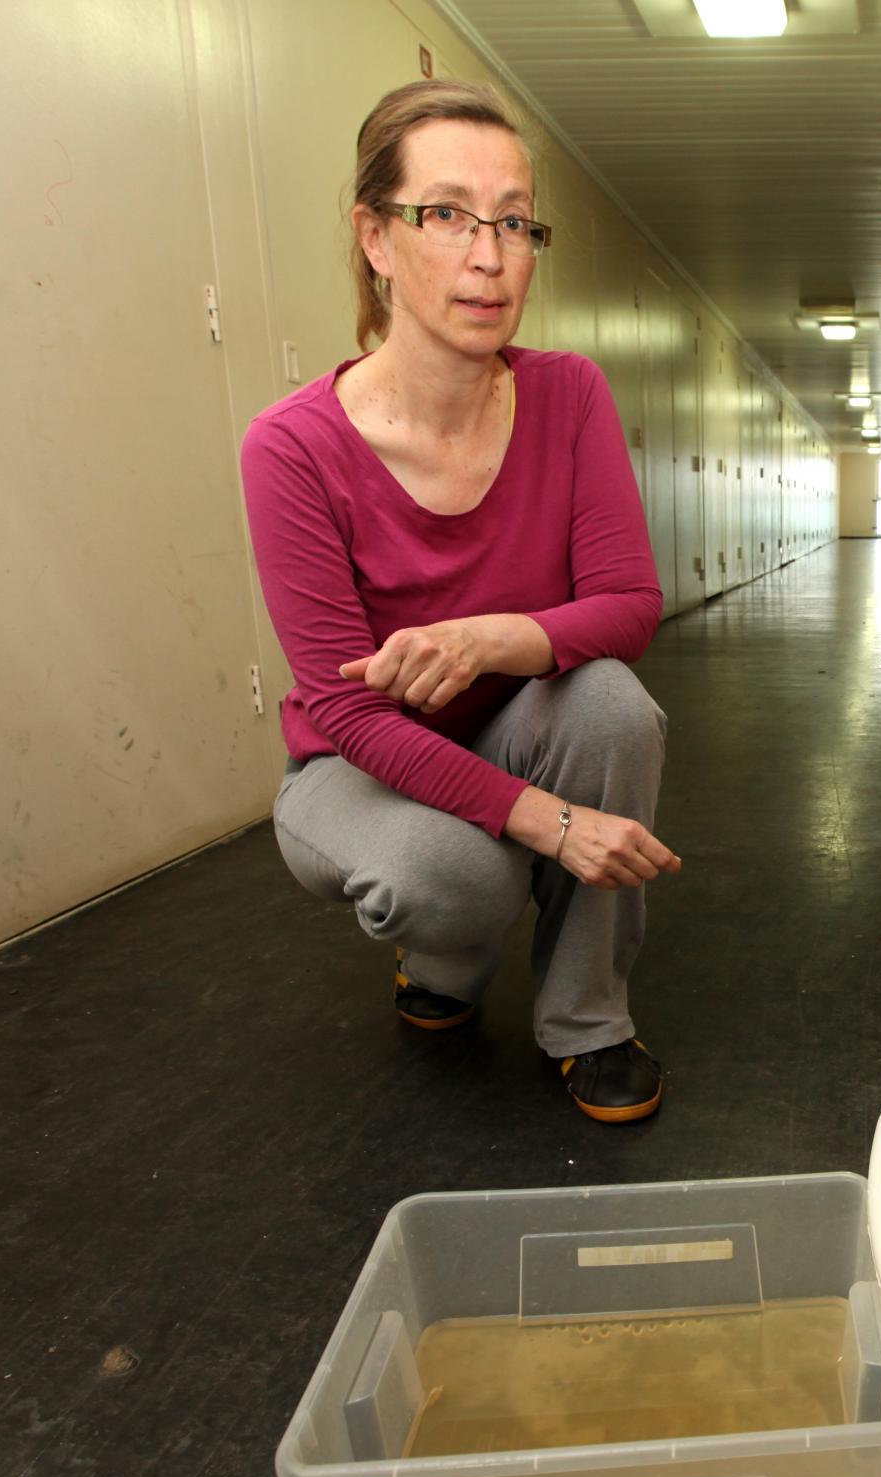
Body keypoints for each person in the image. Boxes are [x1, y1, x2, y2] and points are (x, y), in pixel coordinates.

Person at [240, 80, 679, 1124]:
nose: (489, 256)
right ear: (376, 238)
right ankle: (442, 963)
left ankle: (588, 1021)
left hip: (510, 731)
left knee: (611, 703)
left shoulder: (568, 394)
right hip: (353, 768)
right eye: (446, 215)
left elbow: (627, 604)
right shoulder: (293, 448)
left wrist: (490, 639)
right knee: (463, 878)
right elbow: (346, 711)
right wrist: (553, 824)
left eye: (515, 222)